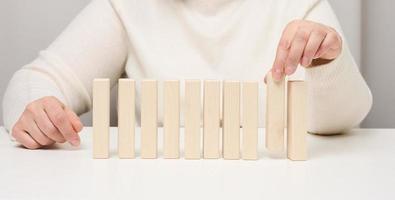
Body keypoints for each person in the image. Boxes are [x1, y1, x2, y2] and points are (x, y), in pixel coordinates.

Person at [2, 0, 372, 149]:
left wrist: (326, 63)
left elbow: (344, 118)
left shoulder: (296, 3)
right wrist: (36, 108)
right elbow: (33, 81)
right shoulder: (126, 6)